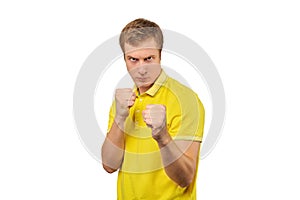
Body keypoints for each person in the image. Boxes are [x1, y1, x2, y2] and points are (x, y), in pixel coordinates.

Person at [101, 18, 205, 200]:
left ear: (160, 55)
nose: (141, 69)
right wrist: (119, 118)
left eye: (149, 59)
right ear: (124, 58)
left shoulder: (186, 100)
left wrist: (162, 136)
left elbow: (185, 178)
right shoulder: (122, 101)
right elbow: (109, 165)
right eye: (133, 59)